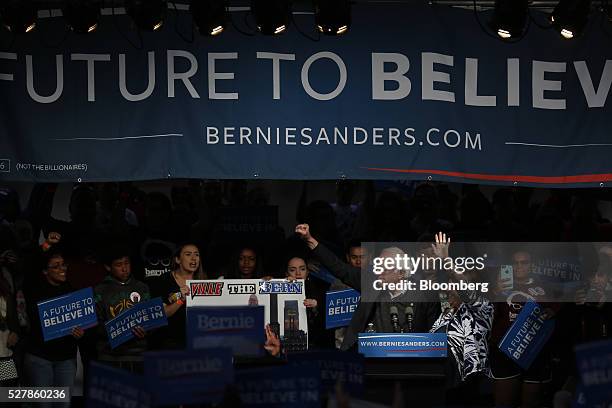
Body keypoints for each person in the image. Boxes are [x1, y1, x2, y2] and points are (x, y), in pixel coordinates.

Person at [294, 224, 440, 351]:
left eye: (385, 267)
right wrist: (310, 240)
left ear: (401, 272)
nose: (379, 271)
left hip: (409, 359)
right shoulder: (371, 283)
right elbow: (339, 268)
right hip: (368, 357)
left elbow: (433, 335)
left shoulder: (422, 295)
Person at [427, 232, 494, 405]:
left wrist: (446, 260)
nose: (451, 286)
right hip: (442, 381)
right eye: (450, 281)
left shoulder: (483, 305)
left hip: (472, 385)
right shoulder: (443, 309)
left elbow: (466, 288)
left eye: (455, 281)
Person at [22, 239, 85, 407]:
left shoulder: (72, 291)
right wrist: (46, 245)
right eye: (56, 266)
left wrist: (80, 332)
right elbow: (30, 264)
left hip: (66, 359)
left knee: (63, 405)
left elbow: (80, 323)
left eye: (63, 265)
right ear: (44, 271)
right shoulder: (34, 288)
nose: (62, 269)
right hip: (40, 358)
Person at [94, 245, 150, 372]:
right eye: (119, 265)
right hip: (110, 356)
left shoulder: (142, 287)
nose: (124, 268)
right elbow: (96, 324)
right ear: (108, 267)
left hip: (138, 355)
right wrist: (120, 330)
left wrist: (146, 329)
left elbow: (151, 318)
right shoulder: (99, 290)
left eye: (126, 263)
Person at [149, 243, 205, 349]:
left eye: (196, 255)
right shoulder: (163, 280)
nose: (193, 258)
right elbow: (162, 313)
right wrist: (181, 300)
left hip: (197, 341)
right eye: (188, 254)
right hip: (169, 342)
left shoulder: (204, 282)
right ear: (178, 260)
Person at [286, 256, 334, 349]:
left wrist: (317, 304)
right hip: (291, 346)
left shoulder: (320, 289)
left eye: (302, 269)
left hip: (319, 346)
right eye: (292, 270)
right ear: (286, 272)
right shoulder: (280, 289)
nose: (298, 273)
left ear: (307, 272)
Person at [0, 275, 19, 386]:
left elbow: (15, 322)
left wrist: (15, 332)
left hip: (5, 352)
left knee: (6, 390)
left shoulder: (6, 296)